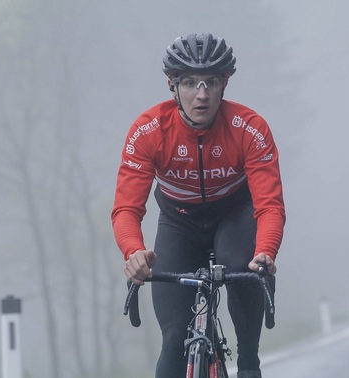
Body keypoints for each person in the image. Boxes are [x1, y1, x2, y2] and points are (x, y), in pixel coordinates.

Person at [111, 33, 285, 378]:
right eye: (190, 83)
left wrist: (265, 252)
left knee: (244, 269)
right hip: (179, 224)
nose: (201, 94)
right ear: (172, 85)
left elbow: (269, 206)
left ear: (225, 84)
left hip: (234, 217)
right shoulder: (148, 131)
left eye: (211, 82)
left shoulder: (249, 128)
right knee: (173, 339)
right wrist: (133, 252)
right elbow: (127, 209)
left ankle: (249, 362)